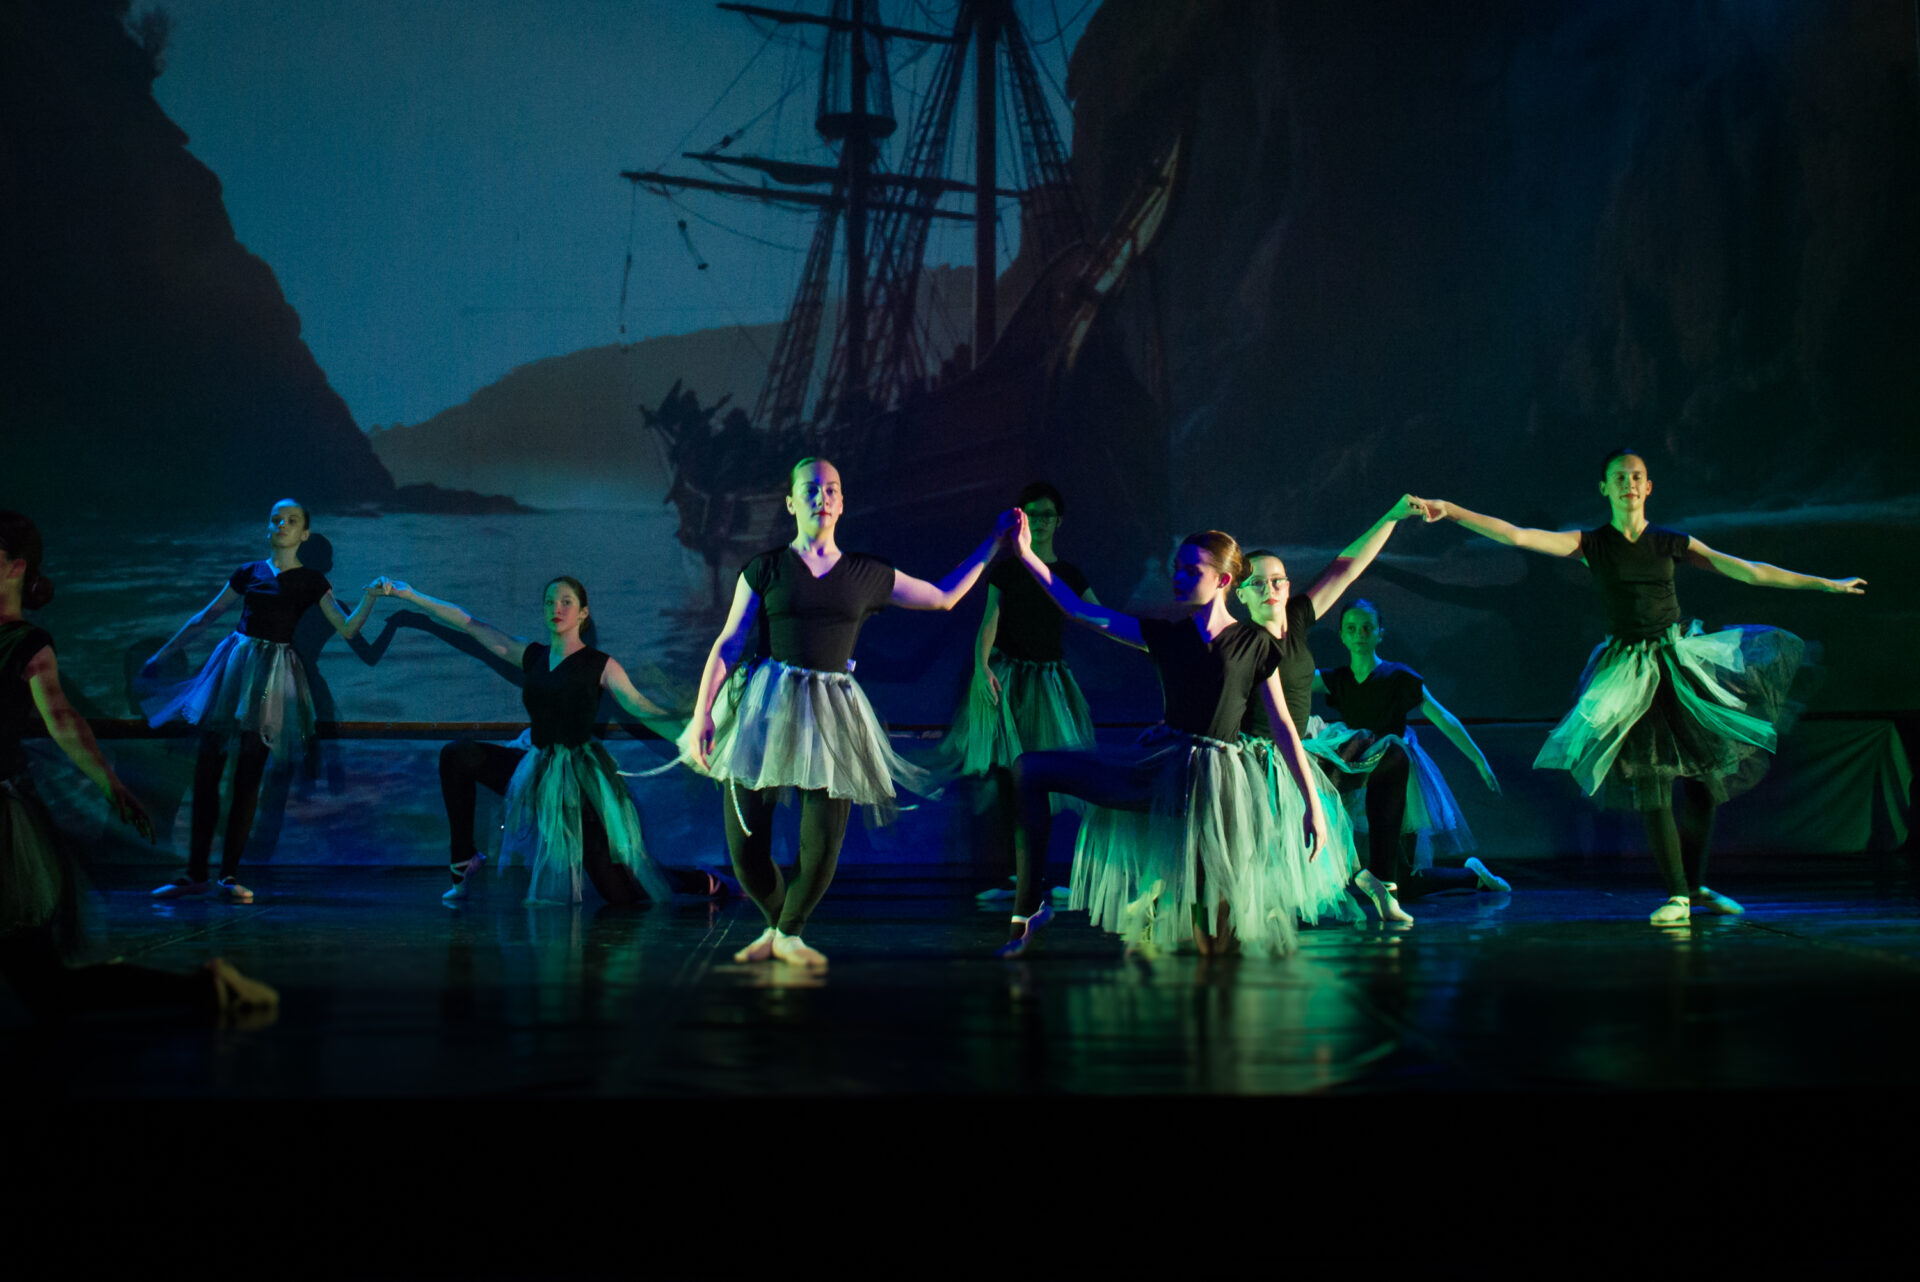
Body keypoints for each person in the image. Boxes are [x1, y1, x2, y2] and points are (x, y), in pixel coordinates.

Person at [1420, 449, 1865, 923]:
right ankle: (1677, 896)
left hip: (1679, 664)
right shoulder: (1592, 544)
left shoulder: (1670, 542)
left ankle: (1694, 887)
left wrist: (1824, 584)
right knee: (1653, 780)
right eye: (1619, 477)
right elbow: (1517, 535)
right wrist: (1451, 510)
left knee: (1703, 785)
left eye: (1636, 477)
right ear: (1605, 488)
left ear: (1648, 487)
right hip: (1629, 674)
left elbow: (1747, 569)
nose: (1629, 484)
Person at [683, 458, 1018, 968]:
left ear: (842, 503)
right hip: (763, 708)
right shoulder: (765, 569)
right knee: (746, 845)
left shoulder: (866, 573)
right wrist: (702, 712)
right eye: (811, 489)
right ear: (791, 503)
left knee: (822, 838)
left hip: (832, 711)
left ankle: (788, 932)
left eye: (832, 489)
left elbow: (944, 597)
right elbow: (729, 642)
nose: (822, 497)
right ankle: (777, 925)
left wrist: (993, 544)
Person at [1002, 520, 1329, 958]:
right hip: (1162, 770)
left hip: (1218, 787)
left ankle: (1220, 985)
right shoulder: (1166, 636)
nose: (1177, 577)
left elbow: (1284, 726)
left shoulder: (1255, 643)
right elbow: (1079, 611)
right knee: (1030, 769)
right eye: (1177, 568)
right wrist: (1027, 554)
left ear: (1223, 581)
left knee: (1213, 937)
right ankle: (1029, 909)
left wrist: (1312, 804)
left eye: (1191, 570)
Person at [0, 512, 277, 1022]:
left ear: (15, 567)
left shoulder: (26, 645)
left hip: (4, 820)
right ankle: (204, 988)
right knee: (42, 989)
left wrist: (110, 784)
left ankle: (205, 988)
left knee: (45, 990)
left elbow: (63, 718)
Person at [377, 574, 713, 907]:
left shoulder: (601, 665)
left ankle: (700, 881)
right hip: (535, 765)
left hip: (578, 780)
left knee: (620, 891)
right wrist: (411, 595)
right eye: (550, 602)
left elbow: (642, 708)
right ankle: (464, 859)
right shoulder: (533, 655)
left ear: (583, 613)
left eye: (566, 602)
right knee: (457, 755)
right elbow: (470, 624)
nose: (557, 609)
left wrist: (693, 737)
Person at [142, 499, 382, 902]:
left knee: (248, 777)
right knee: (207, 773)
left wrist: (370, 597)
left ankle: (229, 876)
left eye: (292, 520)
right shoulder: (249, 572)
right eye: (277, 519)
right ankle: (195, 874)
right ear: (268, 528)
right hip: (234, 668)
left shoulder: (312, 581)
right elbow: (206, 616)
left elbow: (347, 628)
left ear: (304, 533)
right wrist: (162, 655)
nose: (283, 525)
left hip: (273, 676)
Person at [1233, 496, 1427, 923]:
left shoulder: (1297, 620)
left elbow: (1345, 568)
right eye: (1258, 584)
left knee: (1392, 757)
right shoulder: (1241, 642)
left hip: (1304, 746)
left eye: (1277, 581)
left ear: (1288, 586)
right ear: (1240, 593)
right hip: (1261, 759)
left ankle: (1383, 880)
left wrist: (1391, 517)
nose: (1270, 590)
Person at [939, 481, 1097, 904]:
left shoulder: (1069, 574)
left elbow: (1095, 614)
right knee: (1007, 779)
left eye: (1046, 515)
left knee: (1043, 777)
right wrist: (981, 667)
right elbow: (990, 619)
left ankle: (1038, 876)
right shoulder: (1007, 571)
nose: (1039, 522)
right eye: (1031, 515)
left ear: (1058, 521)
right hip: (1008, 680)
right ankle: (1012, 875)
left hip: (1049, 683)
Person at [1302, 598, 1509, 899]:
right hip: (1359, 773)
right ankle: (1465, 877)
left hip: (1397, 776)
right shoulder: (1337, 679)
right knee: (1389, 876)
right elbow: (1286, 681)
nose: (1359, 634)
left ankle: (1472, 876)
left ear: (1380, 633)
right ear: (1343, 635)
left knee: (1405, 882)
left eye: (1367, 628)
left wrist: (1479, 759)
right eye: (1352, 628)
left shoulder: (1399, 677)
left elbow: (1443, 717)